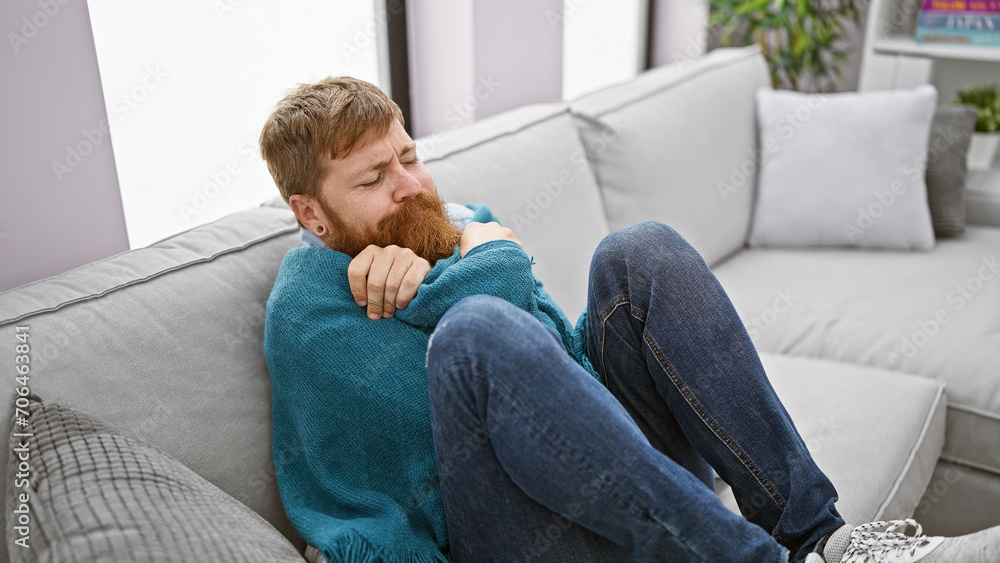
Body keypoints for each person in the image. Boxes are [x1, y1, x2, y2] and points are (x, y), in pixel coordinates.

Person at [259, 76, 999, 563]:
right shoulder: (308, 314)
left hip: (610, 473)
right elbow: (364, 496)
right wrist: (479, 263)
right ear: (311, 214)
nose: (411, 185)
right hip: (509, 534)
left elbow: (544, 335)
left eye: (410, 157)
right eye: (373, 177)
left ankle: (826, 539)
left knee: (638, 252)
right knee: (474, 332)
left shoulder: (440, 225)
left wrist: (465, 254)